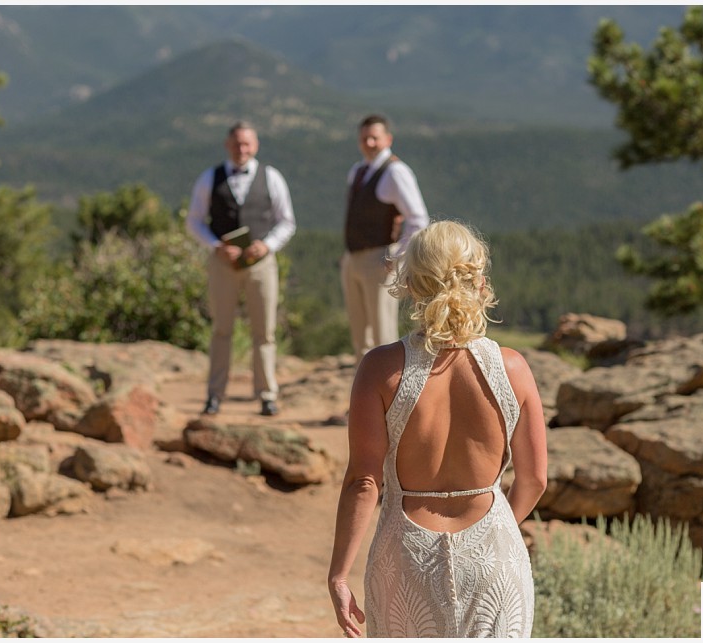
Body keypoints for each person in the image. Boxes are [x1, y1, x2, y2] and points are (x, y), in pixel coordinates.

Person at [327, 221, 548, 637]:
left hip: (406, 556)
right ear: (480, 282)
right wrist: (496, 532)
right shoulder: (513, 369)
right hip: (494, 554)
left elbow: (363, 480)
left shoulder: (380, 369)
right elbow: (535, 479)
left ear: (410, 284)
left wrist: (339, 574)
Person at [186, 121, 296, 417]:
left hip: (261, 266)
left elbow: (287, 221)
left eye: (247, 144)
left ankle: (266, 395)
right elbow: (193, 220)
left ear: (255, 145)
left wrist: (267, 245)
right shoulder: (210, 178)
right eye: (236, 144)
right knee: (222, 330)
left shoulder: (271, 177)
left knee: (265, 332)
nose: (241, 150)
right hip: (222, 265)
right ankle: (214, 395)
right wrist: (215, 245)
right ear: (227, 145)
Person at [341, 114, 429, 364]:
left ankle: (389, 398)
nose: (369, 143)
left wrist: (397, 255)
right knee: (359, 336)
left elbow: (418, 219)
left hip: (380, 258)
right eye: (364, 138)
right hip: (353, 257)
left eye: (374, 138)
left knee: (383, 335)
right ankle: (363, 396)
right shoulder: (357, 171)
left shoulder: (396, 172)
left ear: (387, 139)